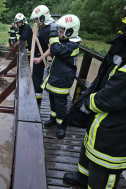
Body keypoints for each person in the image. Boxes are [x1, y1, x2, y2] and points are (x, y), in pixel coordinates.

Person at [62, 14, 126, 189]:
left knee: (102, 173)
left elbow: (113, 96)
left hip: (115, 130)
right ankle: (82, 176)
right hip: (102, 122)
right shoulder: (123, 45)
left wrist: (86, 104)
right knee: (89, 148)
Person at [41, 14, 81, 138]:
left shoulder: (73, 45)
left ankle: (61, 126)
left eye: (61, 31)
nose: (59, 34)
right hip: (55, 78)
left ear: (70, 31)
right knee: (53, 101)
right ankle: (53, 119)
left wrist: (52, 34)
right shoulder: (66, 42)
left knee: (61, 105)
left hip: (63, 81)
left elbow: (55, 50)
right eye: (58, 31)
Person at [30, 5, 55, 105]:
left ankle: (37, 101)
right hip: (37, 57)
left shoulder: (48, 30)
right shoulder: (43, 27)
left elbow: (51, 49)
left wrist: (40, 59)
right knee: (35, 79)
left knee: (37, 80)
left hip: (39, 60)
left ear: (42, 17)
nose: (35, 21)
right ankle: (36, 97)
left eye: (37, 18)